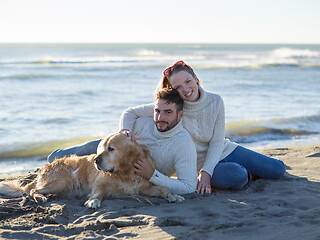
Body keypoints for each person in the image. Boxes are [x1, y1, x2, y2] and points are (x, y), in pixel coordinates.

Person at [119, 60, 286, 194]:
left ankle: (252, 168)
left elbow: (217, 142)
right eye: (177, 87)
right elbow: (130, 112)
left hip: (224, 150)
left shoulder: (216, 101)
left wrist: (207, 173)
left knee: (278, 169)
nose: (185, 89)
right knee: (238, 176)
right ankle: (249, 173)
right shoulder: (174, 108)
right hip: (198, 163)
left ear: (196, 78)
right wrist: (125, 131)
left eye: (188, 81)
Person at [48, 89, 197, 195]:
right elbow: (129, 112)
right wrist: (125, 130)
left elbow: (189, 187)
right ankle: (54, 156)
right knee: (61, 157)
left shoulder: (183, 144)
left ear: (180, 115)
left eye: (168, 112)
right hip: (108, 148)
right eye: (157, 111)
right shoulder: (144, 123)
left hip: (114, 154)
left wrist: (152, 175)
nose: (160, 118)